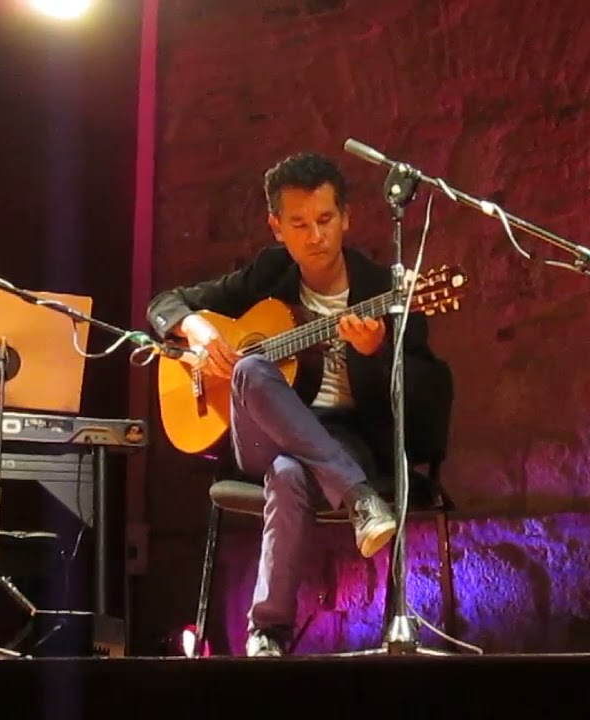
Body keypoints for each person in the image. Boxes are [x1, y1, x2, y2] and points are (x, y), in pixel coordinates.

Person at [147, 152, 446, 657]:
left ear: (346, 218)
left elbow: (423, 392)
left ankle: (268, 632)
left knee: (288, 473)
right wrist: (195, 328)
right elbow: (164, 304)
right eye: (299, 224)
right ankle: (359, 501)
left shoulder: (383, 288)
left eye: (326, 220)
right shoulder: (270, 272)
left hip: (347, 436)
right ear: (277, 227)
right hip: (260, 430)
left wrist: (374, 354)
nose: (315, 236)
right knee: (248, 368)